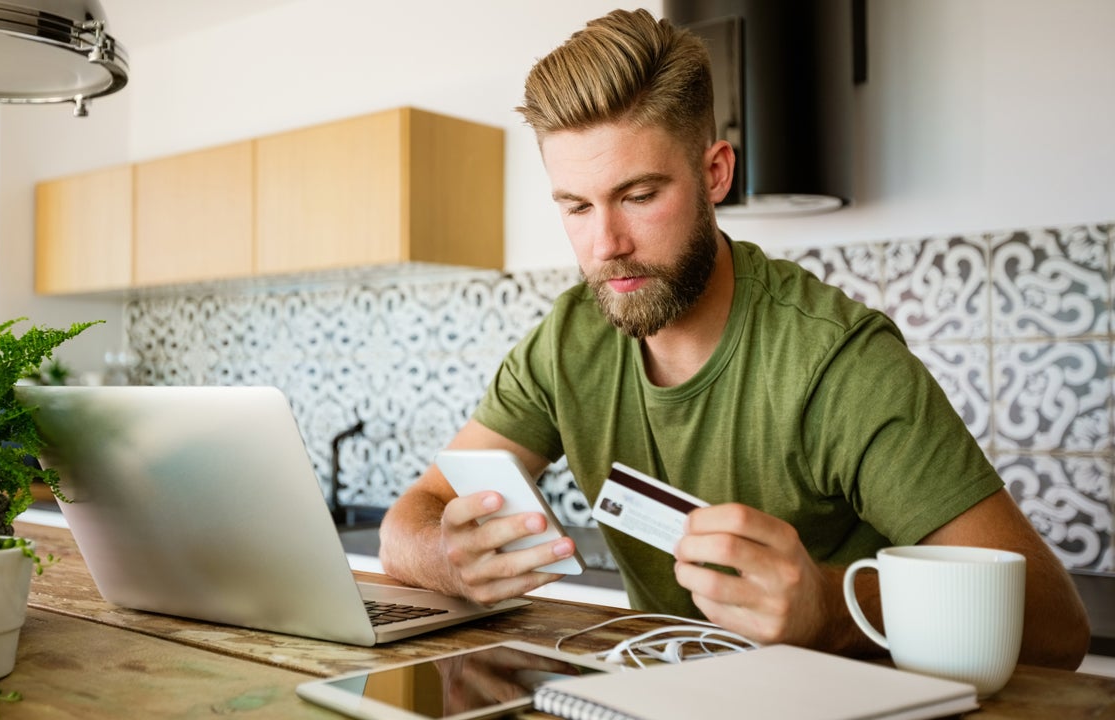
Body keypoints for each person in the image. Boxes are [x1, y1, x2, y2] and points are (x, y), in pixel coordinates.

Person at [377, 8, 1090, 669]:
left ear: (715, 173)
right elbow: (409, 520)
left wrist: (834, 607)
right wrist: (446, 553)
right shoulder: (568, 340)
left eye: (640, 195)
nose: (607, 245)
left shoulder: (837, 361)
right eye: (576, 206)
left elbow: (1058, 625)